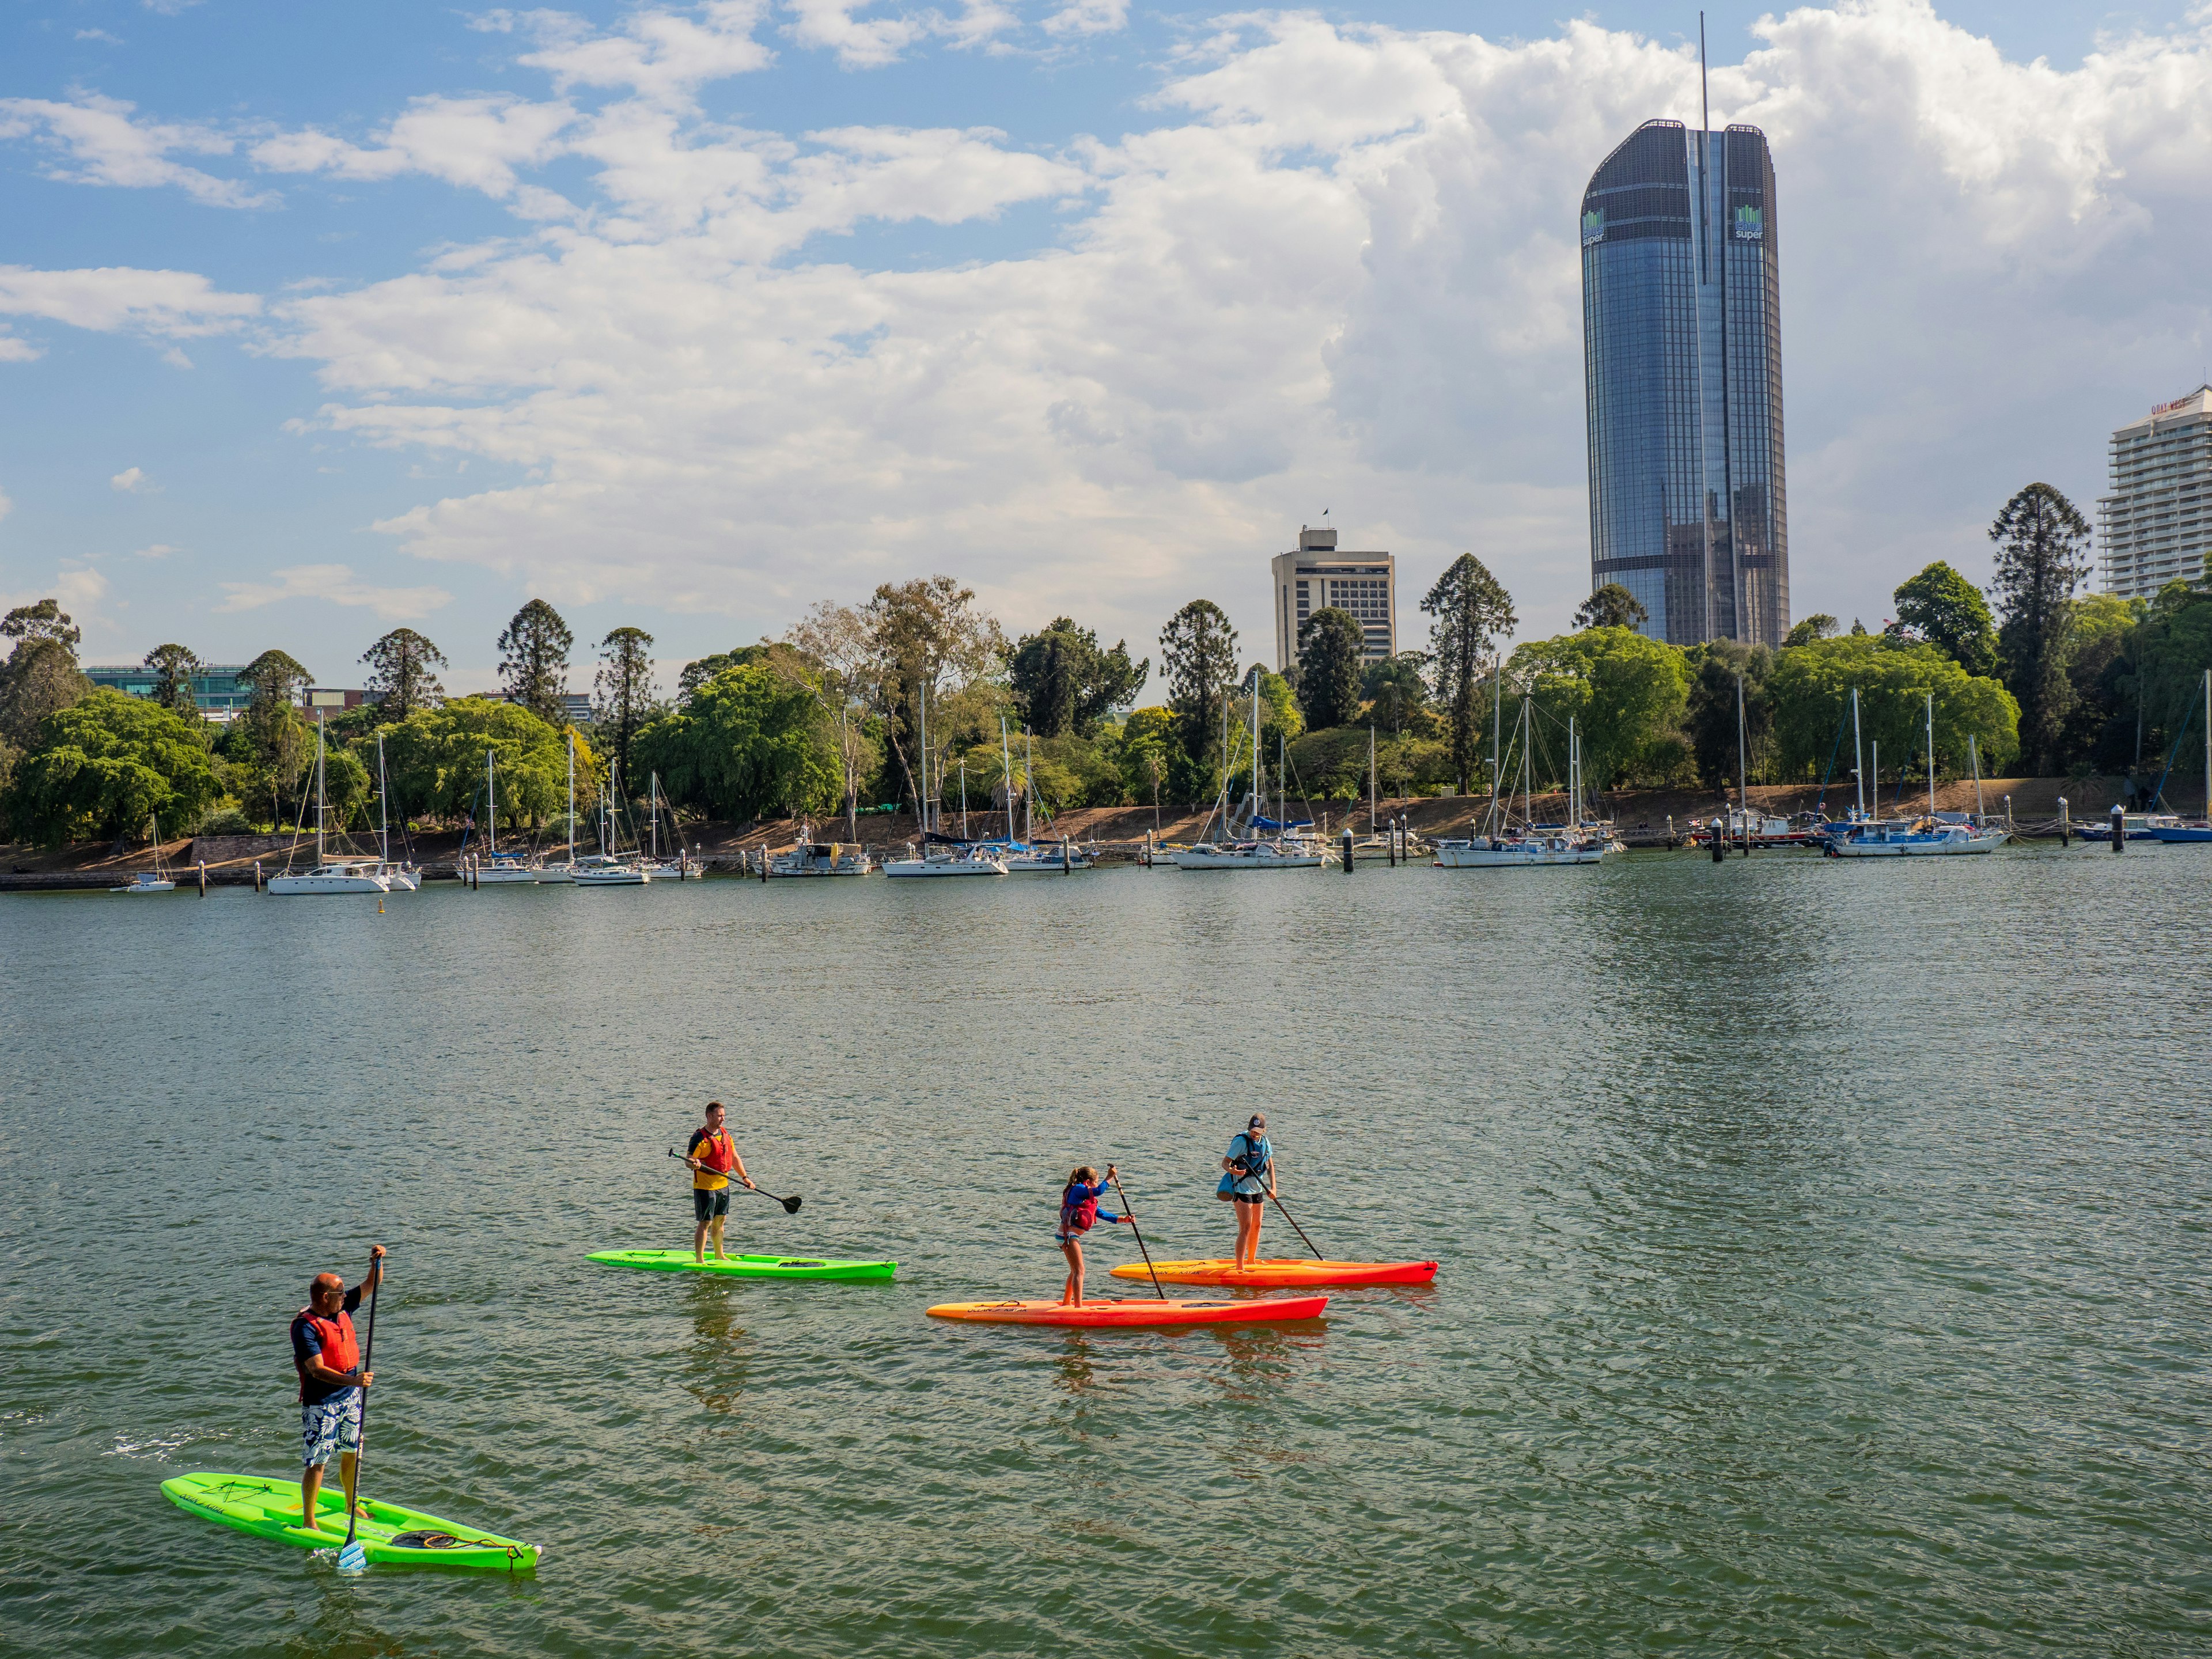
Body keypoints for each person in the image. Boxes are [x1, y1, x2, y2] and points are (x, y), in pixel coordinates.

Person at [291, 1245, 385, 1532]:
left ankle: (349, 1503)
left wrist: (376, 1262)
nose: (346, 1298)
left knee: (352, 1451)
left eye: (344, 1294)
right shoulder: (305, 1327)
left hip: (350, 1397)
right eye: (339, 1294)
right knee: (318, 1461)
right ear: (324, 1298)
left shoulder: (342, 1307)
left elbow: (372, 1284)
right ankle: (309, 1520)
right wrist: (355, 1381)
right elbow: (316, 1370)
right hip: (323, 1402)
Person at [683, 1100, 753, 1262]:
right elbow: (688, 1161)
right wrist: (694, 1163)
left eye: (724, 1116)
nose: (723, 1119)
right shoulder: (699, 1138)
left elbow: (734, 1157)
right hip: (705, 1187)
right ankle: (699, 1260)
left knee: (720, 1221)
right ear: (709, 1116)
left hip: (723, 1185)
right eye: (720, 1115)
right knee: (705, 1222)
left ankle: (719, 1254)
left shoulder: (725, 1134)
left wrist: (745, 1177)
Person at [1057, 1165, 1134, 1306]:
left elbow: (1102, 1214)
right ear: (1087, 1182)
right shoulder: (1078, 1189)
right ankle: (1078, 1307)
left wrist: (1124, 1219)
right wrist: (1110, 1177)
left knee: (1075, 1271)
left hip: (1069, 1235)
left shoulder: (1084, 1199)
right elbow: (1099, 1191)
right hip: (1068, 1235)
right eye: (1096, 1182)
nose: (1097, 1186)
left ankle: (1066, 1303)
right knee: (1080, 1270)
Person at [1218, 1113, 1276, 1268]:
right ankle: (1239, 1267)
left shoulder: (1266, 1143)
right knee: (1246, 1227)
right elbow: (1225, 1163)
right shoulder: (1241, 1141)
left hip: (1258, 1189)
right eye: (1253, 1130)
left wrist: (1273, 1188)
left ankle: (1252, 1261)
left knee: (1257, 1225)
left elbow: (1270, 1166)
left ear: (1264, 1131)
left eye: (1258, 1131)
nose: (1254, 1133)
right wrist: (1233, 1171)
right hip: (1241, 1189)